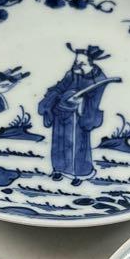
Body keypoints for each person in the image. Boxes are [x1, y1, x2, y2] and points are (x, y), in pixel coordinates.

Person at [38, 44, 114, 185]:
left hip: (79, 115)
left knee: (77, 144)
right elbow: (60, 86)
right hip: (61, 111)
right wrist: (54, 97)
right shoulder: (72, 73)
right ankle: (58, 169)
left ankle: (79, 174)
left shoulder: (99, 78)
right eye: (76, 62)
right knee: (59, 142)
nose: (77, 65)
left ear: (91, 63)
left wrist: (82, 101)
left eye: (81, 63)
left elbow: (95, 100)